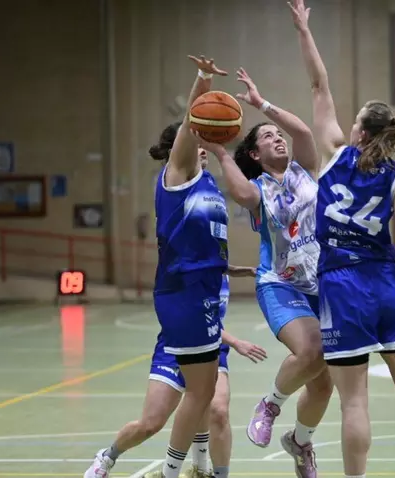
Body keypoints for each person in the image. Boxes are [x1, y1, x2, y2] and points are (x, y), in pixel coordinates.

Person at [288, 1, 395, 477]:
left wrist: (303, 29)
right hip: (388, 285)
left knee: (354, 402)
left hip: (344, 288)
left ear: (359, 130)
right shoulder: (394, 175)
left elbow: (319, 84)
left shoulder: (333, 154)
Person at [84, 112, 268, 478]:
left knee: (216, 409)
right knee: (151, 423)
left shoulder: (209, 189)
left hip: (208, 322)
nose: (203, 150)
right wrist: (235, 341)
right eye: (198, 144)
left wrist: (234, 269)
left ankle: (205, 471)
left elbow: (207, 248)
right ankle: (108, 456)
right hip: (181, 332)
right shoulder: (175, 184)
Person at [88, 54, 230, 478]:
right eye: (198, 137)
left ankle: (195, 468)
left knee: (206, 397)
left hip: (202, 294)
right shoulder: (177, 175)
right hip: (183, 294)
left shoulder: (208, 184)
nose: (203, 142)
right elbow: (190, 123)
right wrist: (203, 81)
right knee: (196, 397)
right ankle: (163, 470)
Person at [195, 67, 331, 478]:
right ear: (255, 155)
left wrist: (262, 104)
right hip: (280, 284)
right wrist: (221, 153)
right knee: (310, 351)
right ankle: (270, 405)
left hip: (323, 285)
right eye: (268, 136)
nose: (278, 137)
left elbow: (303, 131)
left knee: (323, 384)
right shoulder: (259, 191)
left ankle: (300, 442)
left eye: (277, 134)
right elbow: (239, 192)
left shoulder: (305, 170)